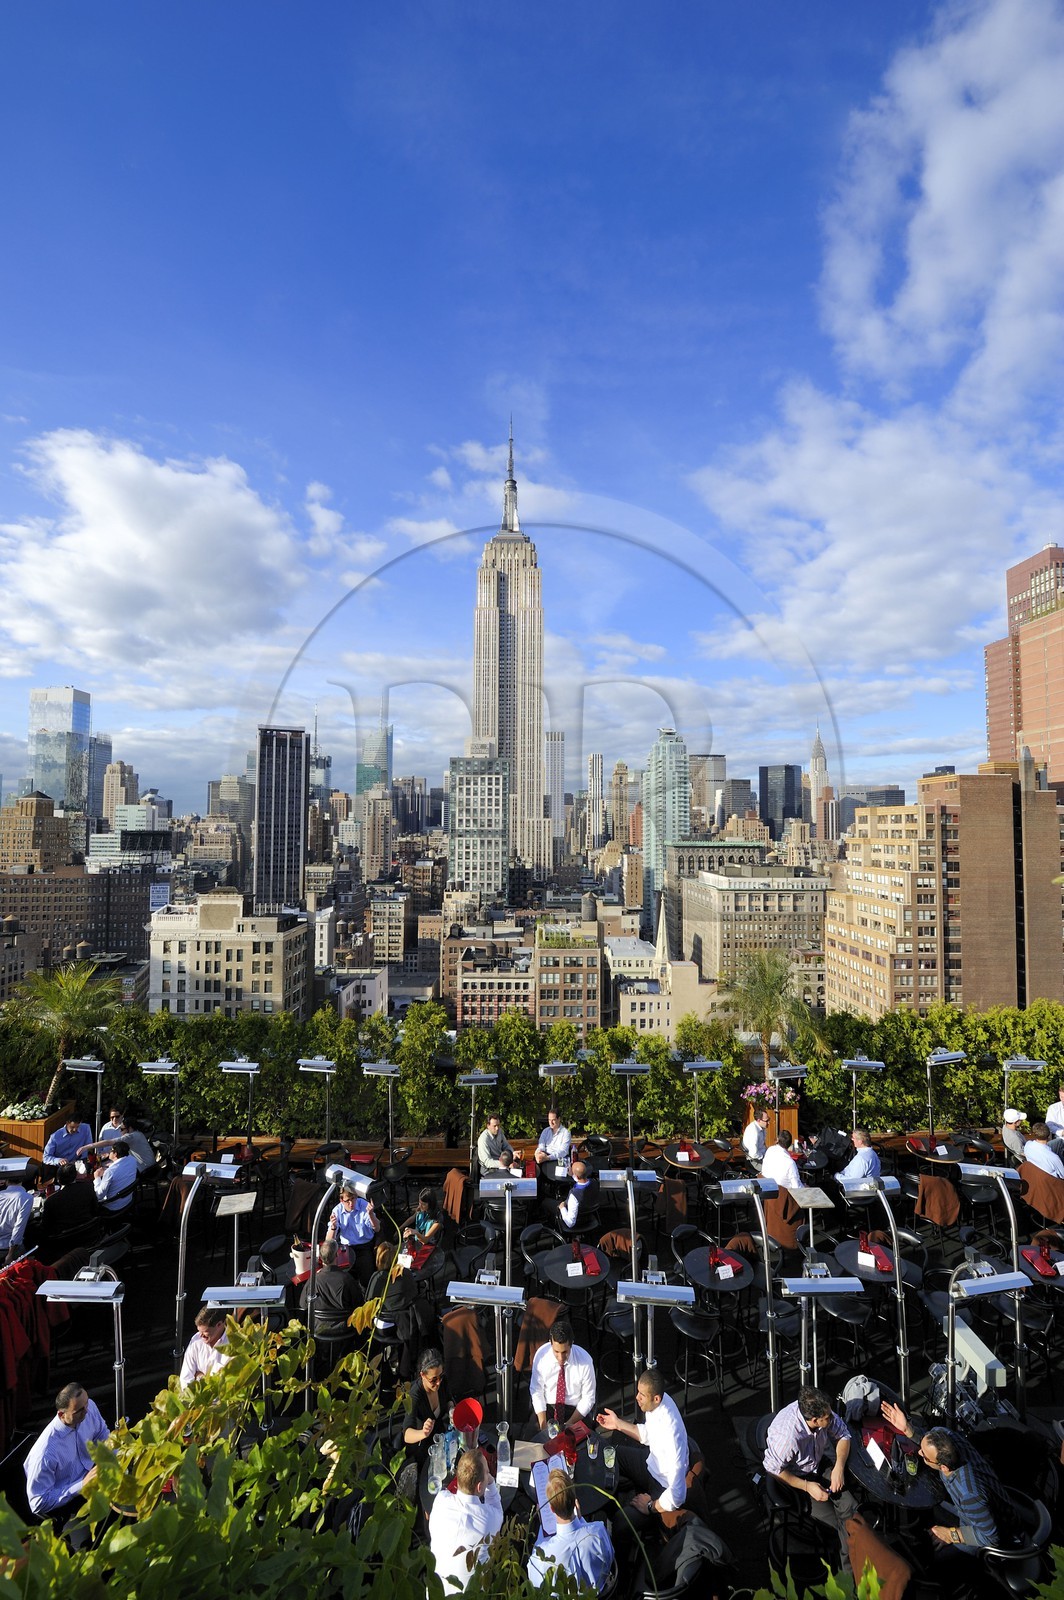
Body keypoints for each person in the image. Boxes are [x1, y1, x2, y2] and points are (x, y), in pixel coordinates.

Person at [881, 1401, 1015, 1552]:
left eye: (924, 1456)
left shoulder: (969, 1494)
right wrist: (908, 1429)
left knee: (928, 1553)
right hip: (971, 1513)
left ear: (943, 1467)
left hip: (997, 1537)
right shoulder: (948, 1436)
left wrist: (950, 1535)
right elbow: (928, 1441)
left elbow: (991, 1537)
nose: (919, 1452)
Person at [763, 1387, 855, 1570]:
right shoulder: (788, 1436)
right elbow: (773, 1468)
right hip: (796, 1478)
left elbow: (843, 1435)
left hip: (818, 1463)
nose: (831, 1418)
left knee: (849, 1507)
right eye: (827, 1418)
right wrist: (807, 1486)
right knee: (835, 1527)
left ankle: (849, 1560)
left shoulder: (823, 1414)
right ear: (814, 1420)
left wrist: (839, 1467)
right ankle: (845, 1569)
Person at [596, 1368, 688, 1521]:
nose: (637, 1397)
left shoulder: (671, 1437)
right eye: (638, 1392)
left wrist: (650, 1506)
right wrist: (618, 1424)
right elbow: (647, 1435)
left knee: (621, 1522)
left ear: (656, 1398)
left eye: (642, 1395)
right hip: (651, 1464)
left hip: (662, 1487)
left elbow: (678, 1495)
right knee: (611, 1453)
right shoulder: (657, 1403)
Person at [24, 1382, 109, 1524]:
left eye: (86, 1404)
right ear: (61, 1415)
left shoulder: (88, 1407)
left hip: (91, 1479)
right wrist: (81, 1485)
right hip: (66, 1505)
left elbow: (102, 1433)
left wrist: (115, 1455)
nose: (87, 1411)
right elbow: (38, 1502)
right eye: (80, 1410)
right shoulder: (45, 1454)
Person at [428, 1447, 503, 1592]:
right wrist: (492, 1484)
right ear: (480, 1486)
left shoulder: (441, 1500)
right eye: (487, 1473)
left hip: (435, 1592)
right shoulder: (488, 1520)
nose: (488, 1475)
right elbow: (498, 1511)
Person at [528, 1467, 615, 1591]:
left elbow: (536, 1586)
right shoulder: (599, 1530)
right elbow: (609, 1558)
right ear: (575, 1503)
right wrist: (581, 1520)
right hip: (599, 1591)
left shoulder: (541, 1555)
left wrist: (542, 1526)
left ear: (551, 1509)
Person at [530, 1318, 597, 1429]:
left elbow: (588, 1398)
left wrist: (568, 1425)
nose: (561, 1357)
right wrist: (543, 1425)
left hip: (575, 1411)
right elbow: (537, 1391)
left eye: (565, 1352)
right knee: (531, 1444)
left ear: (572, 1344)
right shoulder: (541, 1356)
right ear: (550, 1343)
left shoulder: (585, 1360)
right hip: (548, 1408)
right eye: (556, 1352)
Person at [300, 1239, 361, 1336]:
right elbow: (359, 1304)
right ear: (337, 1255)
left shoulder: (313, 1280)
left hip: (318, 1328)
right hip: (344, 1329)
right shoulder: (347, 1279)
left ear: (320, 1257)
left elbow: (303, 1305)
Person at [402, 1346, 451, 1467]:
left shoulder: (441, 1382)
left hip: (440, 1437)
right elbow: (406, 1434)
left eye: (440, 1376)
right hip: (422, 1448)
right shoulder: (414, 1395)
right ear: (422, 1375)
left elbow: (449, 1398)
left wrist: (451, 1409)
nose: (438, 1382)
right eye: (433, 1380)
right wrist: (423, 1433)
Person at [325, 1180, 380, 1286]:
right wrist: (333, 1226)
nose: (351, 1203)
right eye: (347, 1201)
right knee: (344, 1280)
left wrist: (371, 1214)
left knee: (367, 1278)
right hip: (347, 1248)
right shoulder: (337, 1211)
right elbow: (329, 1241)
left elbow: (377, 1228)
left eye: (353, 1199)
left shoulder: (364, 1205)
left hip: (364, 1247)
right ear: (341, 1200)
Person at [35, 1163, 97, 1252]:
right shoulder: (88, 1188)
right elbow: (95, 1209)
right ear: (75, 1176)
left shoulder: (51, 1201)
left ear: (58, 1179)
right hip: (87, 1232)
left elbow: (45, 1227)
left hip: (63, 1239)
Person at [79, 1115, 156, 1172]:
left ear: (129, 1128)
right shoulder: (139, 1133)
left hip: (145, 1168)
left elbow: (109, 1142)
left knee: (111, 1171)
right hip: (150, 1165)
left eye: (122, 1129)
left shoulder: (131, 1137)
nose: (120, 1131)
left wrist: (87, 1147)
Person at [179, 1305, 230, 1386]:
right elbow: (185, 1379)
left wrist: (199, 1376)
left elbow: (228, 1384)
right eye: (199, 1331)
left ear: (219, 1324)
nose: (200, 1335)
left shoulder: (234, 1345)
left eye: (205, 1331)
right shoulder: (196, 1340)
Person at [0, 1163, 35, 1263]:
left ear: (6, 1181)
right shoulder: (27, 1198)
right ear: (22, 1180)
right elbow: (19, 1227)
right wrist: (10, 1255)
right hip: (8, 1248)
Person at [92, 1140, 139, 1213]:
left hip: (112, 1207)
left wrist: (97, 1178)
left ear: (115, 1154)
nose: (109, 1151)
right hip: (127, 1200)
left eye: (111, 1150)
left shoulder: (110, 1171)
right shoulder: (132, 1160)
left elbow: (99, 1195)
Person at [555, 1161, 599, 1232]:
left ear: (577, 1176)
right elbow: (581, 1179)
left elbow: (570, 1222)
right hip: (590, 1214)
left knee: (547, 1203)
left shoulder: (574, 1196)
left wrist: (562, 1207)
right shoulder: (595, 1182)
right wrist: (573, 1175)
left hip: (579, 1221)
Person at [742, 1107, 770, 1171]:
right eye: (766, 1121)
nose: (768, 1123)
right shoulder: (754, 1132)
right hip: (755, 1161)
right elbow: (753, 1154)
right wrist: (764, 1158)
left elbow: (763, 1145)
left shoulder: (762, 1128)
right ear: (758, 1120)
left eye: (769, 1120)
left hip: (761, 1157)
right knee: (771, 1171)